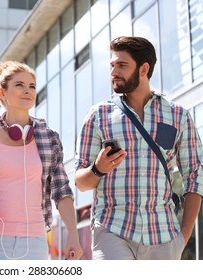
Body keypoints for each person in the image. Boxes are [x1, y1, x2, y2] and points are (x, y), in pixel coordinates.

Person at [75, 36, 203, 260]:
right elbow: (80, 182)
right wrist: (98, 169)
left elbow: (195, 175)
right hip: (113, 231)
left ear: (144, 69)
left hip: (164, 237)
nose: (114, 72)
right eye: (112, 65)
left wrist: (183, 235)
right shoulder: (99, 116)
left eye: (122, 65)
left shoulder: (178, 116)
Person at [0, 61, 83, 260]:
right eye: (19, 85)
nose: (27, 90)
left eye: (31, 86)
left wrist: (74, 236)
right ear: (2, 92)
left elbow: (62, 191)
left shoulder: (49, 137)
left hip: (36, 242)